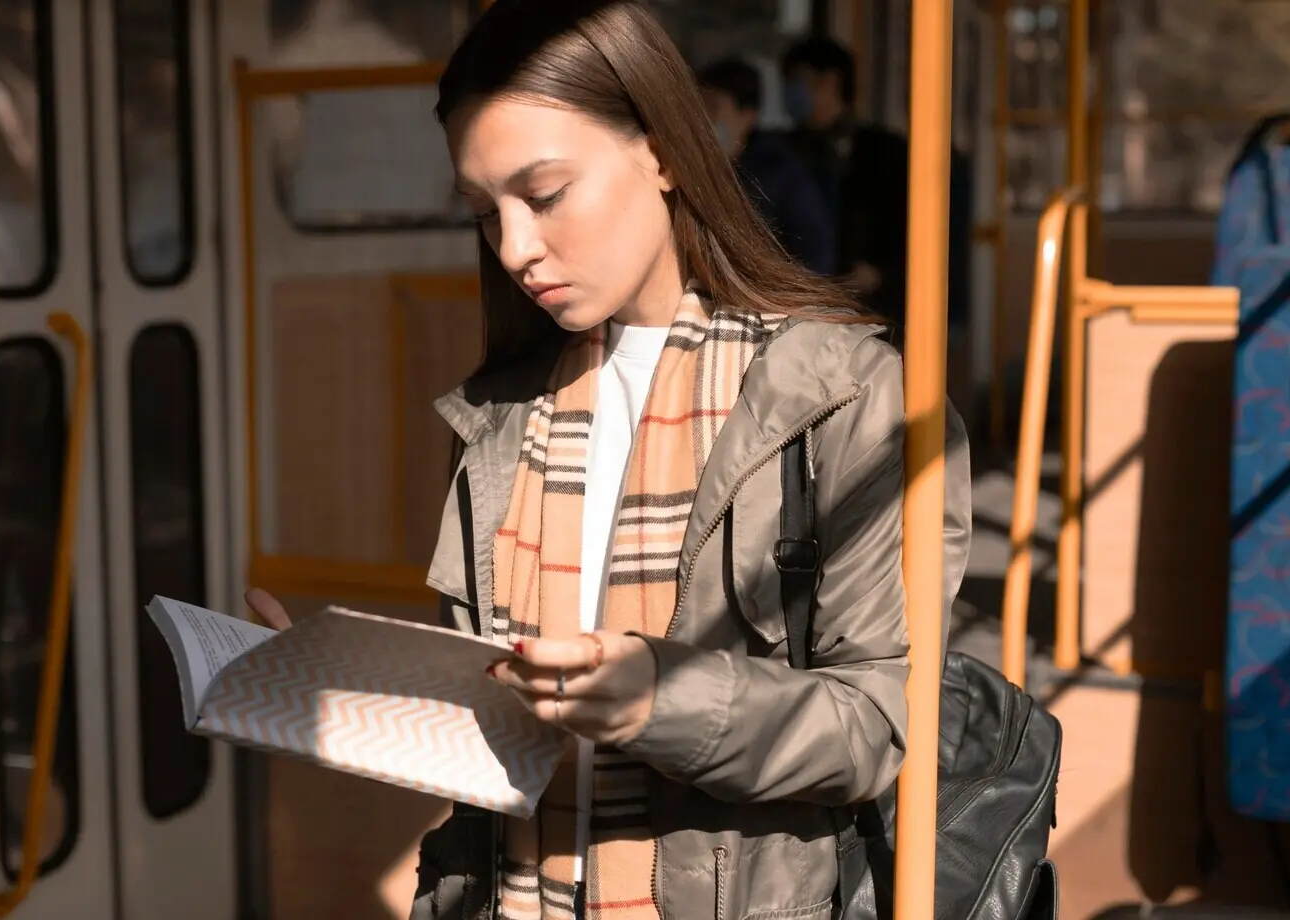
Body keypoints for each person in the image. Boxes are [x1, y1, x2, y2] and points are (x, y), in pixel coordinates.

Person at [247, 0, 973, 917]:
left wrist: (659, 699)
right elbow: (501, 713)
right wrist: (345, 692)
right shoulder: (498, 415)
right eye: (485, 213)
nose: (515, 248)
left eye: (546, 195)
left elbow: (874, 726)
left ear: (662, 152)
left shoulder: (840, 395)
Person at [779, 36, 973, 328]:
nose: (790, 92)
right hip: (802, 302)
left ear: (830, 82)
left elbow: (923, 228)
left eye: (798, 79)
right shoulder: (781, 152)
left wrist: (882, 273)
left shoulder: (887, 153)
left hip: (876, 308)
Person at [698, 56, 836, 275]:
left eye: (714, 107)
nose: (704, 118)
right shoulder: (692, 166)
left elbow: (815, 253)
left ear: (747, 115)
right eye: (699, 106)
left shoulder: (780, 172)